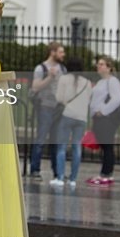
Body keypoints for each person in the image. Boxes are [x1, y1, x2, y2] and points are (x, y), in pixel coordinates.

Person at [51, 58, 93, 188]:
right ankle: (73, 179)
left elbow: (59, 98)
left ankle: (60, 177)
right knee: (77, 147)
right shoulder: (87, 82)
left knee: (62, 147)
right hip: (81, 117)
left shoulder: (64, 79)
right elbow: (89, 99)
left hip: (67, 114)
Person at [28, 41, 67, 180]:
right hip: (45, 106)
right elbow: (35, 87)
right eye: (61, 52)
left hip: (59, 108)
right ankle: (34, 169)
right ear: (53, 52)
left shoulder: (62, 68)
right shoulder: (41, 68)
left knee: (56, 141)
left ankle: (57, 171)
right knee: (41, 139)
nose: (63, 54)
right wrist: (50, 77)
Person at [87, 54, 120, 186]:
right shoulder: (101, 82)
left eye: (101, 64)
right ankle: (104, 173)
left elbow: (117, 98)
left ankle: (107, 174)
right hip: (98, 117)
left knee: (107, 146)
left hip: (106, 118)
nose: (98, 66)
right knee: (103, 145)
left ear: (109, 68)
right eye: (98, 64)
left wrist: (104, 110)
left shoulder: (112, 81)